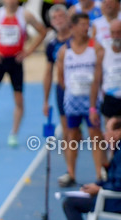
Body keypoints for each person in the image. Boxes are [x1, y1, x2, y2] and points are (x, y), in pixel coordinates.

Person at [0, 0, 48, 148]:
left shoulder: (25, 15)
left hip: (16, 61)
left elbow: (42, 31)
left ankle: (14, 134)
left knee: (19, 100)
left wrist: (29, 51)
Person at [57, 114, 121, 220]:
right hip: (111, 196)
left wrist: (99, 190)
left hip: (115, 201)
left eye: (108, 131)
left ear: (118, 133)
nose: (104, 135)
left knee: (70, 204)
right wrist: (97, 185)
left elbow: (118, 184)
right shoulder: (117, 150)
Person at [57, 12, 105, 188]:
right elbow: (60, 77)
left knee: (95, 135)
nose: (86, 28)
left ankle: (99, 173)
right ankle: (70, 173)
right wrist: (72, 91)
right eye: (83, 25)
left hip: (92, 100)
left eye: (88, 24)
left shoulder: (96, 48)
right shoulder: (65, 51)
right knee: (72, 135)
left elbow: (100, 75)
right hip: (72, 100)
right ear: (73, 27)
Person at [43, 4, 73, 152]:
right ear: (51, 22)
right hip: (62, 89)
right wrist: (45, 101)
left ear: (68, 18)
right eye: (55, 18)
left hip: (83, 89)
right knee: (67, 131)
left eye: (61, 16)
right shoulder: (51, 44)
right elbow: (48, 72)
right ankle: (70, 165)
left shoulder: (77, 38)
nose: (59, 20)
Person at [99, 19, 121, 118]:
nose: (116, 36)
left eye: (119, 32)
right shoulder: (103, 52)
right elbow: (97, 80)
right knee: (110, 127)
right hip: (110, 99)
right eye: (113, 33)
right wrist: (92, 108)